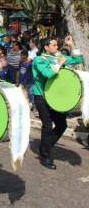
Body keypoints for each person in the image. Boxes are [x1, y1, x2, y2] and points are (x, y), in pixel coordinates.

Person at [32, 36, 83, 170]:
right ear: (46, 47)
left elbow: (79, 59)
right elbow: (48, 74)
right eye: (53, 45)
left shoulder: (57, 57)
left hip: (55, 98)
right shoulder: (39, 60)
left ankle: (44, 146)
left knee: (62, 124)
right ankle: (45, 155)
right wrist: (60, 63)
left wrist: (71, 45)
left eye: (57, 45)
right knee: (48, 125)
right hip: (41, 97)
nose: (56, 47)